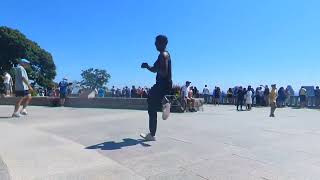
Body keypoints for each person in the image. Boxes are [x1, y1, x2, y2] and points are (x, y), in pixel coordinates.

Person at [140, 35, 172, 141]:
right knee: (151, 102)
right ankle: (164, 103)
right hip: (164, 85)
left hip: (162, 84)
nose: (155, 44)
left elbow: (163, 72)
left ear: (163, 43)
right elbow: (154, 69)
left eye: (156, 42)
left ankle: (165, 103)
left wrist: (157, 68)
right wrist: (147, 66)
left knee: (151, 106)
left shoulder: (163, 55)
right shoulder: (163, 55)